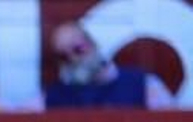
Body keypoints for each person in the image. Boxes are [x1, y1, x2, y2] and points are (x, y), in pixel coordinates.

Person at [45, 21, 175, 110]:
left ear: (92, 43)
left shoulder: (142, 84)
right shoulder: (57, 95)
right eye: (64, 56)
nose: (73, 58)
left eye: (78, 49)